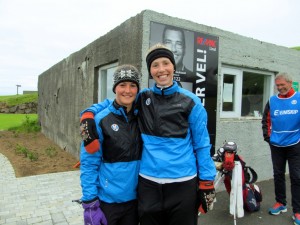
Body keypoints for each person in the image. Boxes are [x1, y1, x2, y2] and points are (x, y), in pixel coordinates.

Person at [80, 43, 217, 225]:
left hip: (183, 183)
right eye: (155, 65)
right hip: (148, 184)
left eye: (165, 63)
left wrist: (207, 182)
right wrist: (88, 114)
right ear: (150, 71)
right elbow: (117, 100)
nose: (161, 69)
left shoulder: (192, 102)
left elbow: (202, 145)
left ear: (173, 67)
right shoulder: (143, 97)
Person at [79, 64, 143, 225]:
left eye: (132, 85)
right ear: (115, 88)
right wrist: (90, 203)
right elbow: (89, 164)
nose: (127, 90)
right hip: (107, 202)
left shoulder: (142, 116)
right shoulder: (100, 120)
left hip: (135, 201)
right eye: (122, 85)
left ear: (137, 90)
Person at [261, 72, 300, 225]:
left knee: (296, 177)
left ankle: (297, 211)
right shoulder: (272, 100)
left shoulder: (298, 99)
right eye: (277, 85)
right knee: (278, 175)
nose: (280, 88)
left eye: (282, 84)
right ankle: (280, 203)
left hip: (295, 144)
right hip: (276, 145)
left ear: (290, 83)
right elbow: (266, 120)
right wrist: (268, 138)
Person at [162, 25, 194, 91]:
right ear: (162, 46)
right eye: (168, 42)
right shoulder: (154, 74)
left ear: (184, 48)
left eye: (179, 43)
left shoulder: (192, 76)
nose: (173, 49)